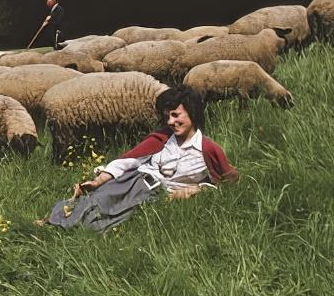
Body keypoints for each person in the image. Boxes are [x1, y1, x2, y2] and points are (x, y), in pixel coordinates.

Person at [42, 86, 237, 232]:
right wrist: (99, 179)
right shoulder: (162, 138)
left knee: (112, 218)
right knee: (98, 200)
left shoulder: (208, 150)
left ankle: (71, 229)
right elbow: (129, 160)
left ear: (192, 112)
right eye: (167, 117)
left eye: (176, 115)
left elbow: (222, 182)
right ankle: (52, 222)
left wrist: (195, 189)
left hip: (155, 195)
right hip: (134, 180)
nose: (170, 122)